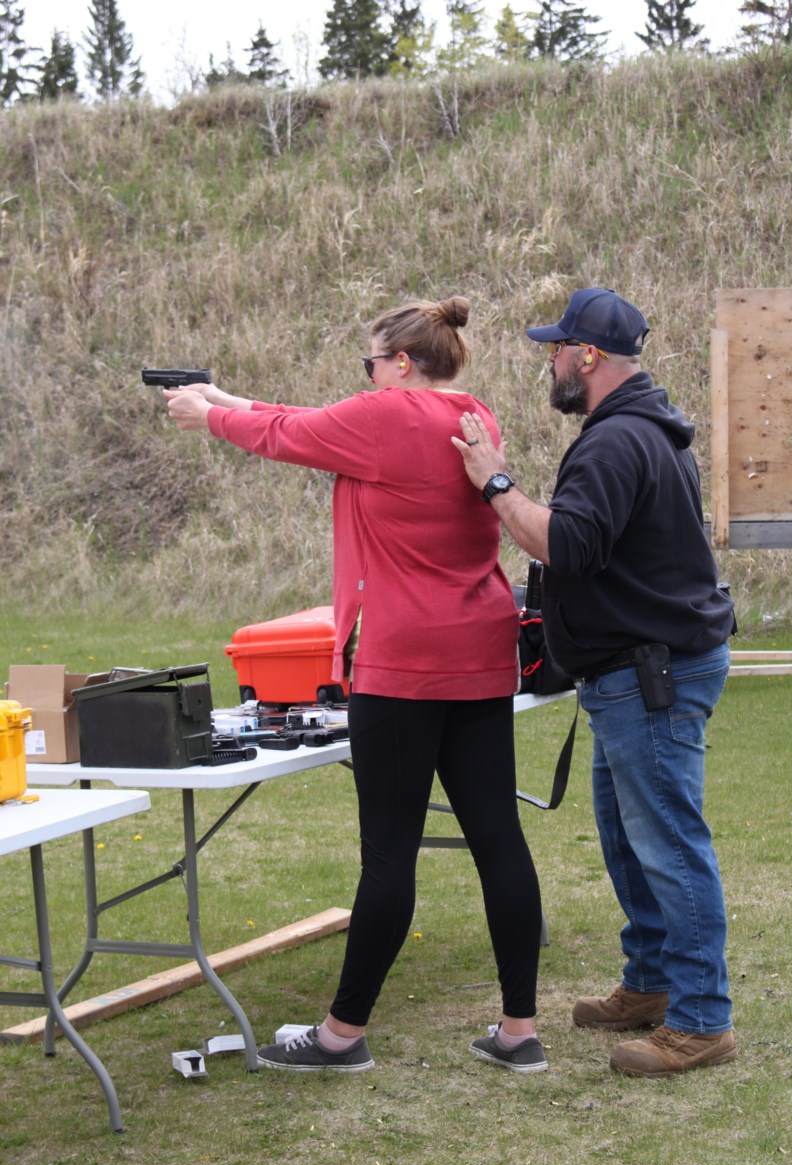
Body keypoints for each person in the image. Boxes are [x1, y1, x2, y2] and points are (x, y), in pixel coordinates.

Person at [165, 296, 548, 1075]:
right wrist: (224, 397)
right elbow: (313, 421)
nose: (366, 379)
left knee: (389, 857)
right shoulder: (476, 416)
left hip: (404, 664)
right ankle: (518, 1031)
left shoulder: (379, 419)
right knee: (498, 841)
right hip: (479, 652)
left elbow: (289, 435)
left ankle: (341, 1036)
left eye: (370, 365)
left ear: (400, 364)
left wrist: (206, 418)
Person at [453, 287, 737, 1078]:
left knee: (669, 846)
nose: (549, 361)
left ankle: (703, 1020)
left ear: (588, 357)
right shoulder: (642, 428)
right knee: (626, 837)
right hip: (638, 670)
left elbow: (569, 546)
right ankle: (650, 983)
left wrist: (495, 483)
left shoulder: (615, 443)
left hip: (650, 673)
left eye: (556, 349)